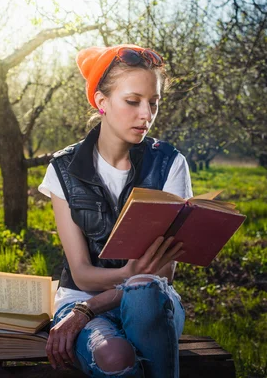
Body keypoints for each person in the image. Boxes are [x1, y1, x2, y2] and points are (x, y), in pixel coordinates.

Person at [37, 44, 193, 378]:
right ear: (101, 102)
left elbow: (162, 275)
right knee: (114, 356)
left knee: (146, 291)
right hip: (78, 297)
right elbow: (81, 273)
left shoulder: (170, 164)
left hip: (147, 302)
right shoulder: (63, 169)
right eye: (133, 101)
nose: (146, 115)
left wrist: (90, 307)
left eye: (153, 103)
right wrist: (129, 274)